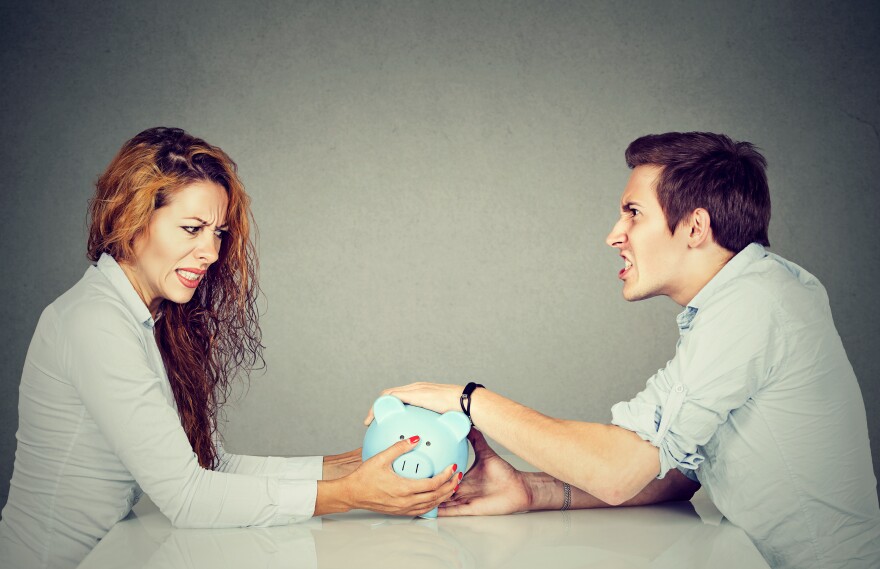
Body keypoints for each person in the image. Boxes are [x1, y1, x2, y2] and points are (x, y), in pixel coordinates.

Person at [368, 132, 880, 569]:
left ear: (696, 228)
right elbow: (676, 474)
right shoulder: (744, 299)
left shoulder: (756, 305)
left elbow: (620, 473)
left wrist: (468, 398)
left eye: (633, 213)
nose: (615, 235)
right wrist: (530, 490)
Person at [0, 127, 461, 569]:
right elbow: (187, 496)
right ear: (130, 219)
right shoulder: (94, 323)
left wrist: (357, 462)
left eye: (217, 233)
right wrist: (350, 495)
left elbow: (213, 465)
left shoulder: (145, 319)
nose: (211, 252)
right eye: (192, 229)